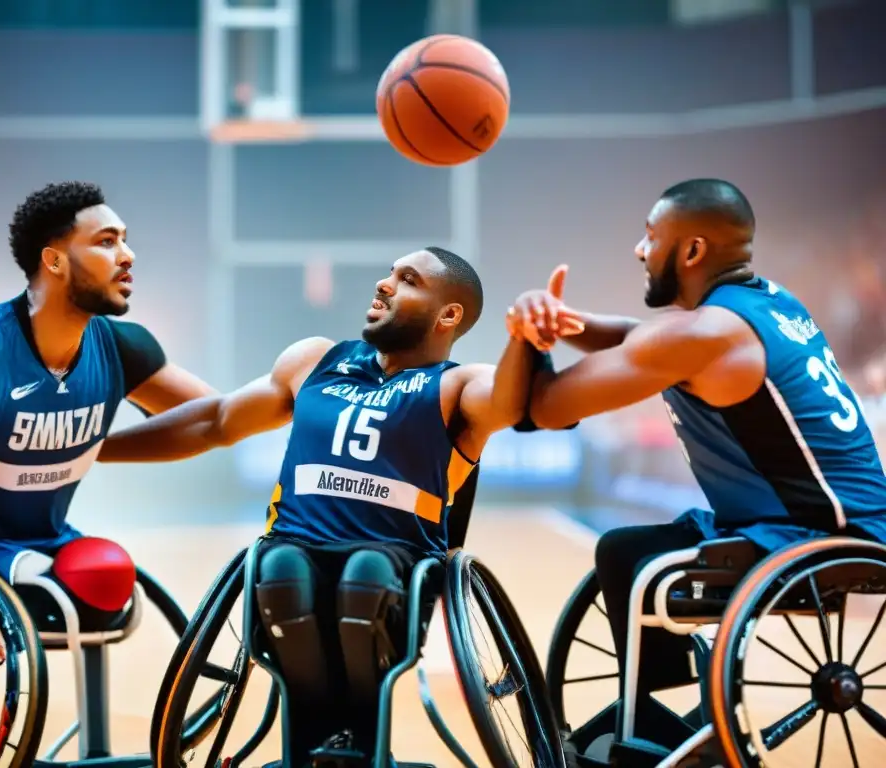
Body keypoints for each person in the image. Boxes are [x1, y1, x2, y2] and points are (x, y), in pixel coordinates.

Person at [97, 247, 581, 761]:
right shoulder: (315, 361)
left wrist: (526, 342)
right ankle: (314, 741)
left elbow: (507, 401)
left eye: (408, 279)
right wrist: (95, 450)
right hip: (294, 545)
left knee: (365, 573)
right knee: (281, 566)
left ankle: (358, 740)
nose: (384, 284)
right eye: (390, 273)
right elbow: (213, 421)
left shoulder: (457, 385)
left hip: (395, 566)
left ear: (449, 314)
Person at [510, 178, 886, 746]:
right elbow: (642, 339)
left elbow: (542, 408)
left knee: (640, 566)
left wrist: (530, 335)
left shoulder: (703, 336)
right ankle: (665, 727)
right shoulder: (765, 302)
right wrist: (569, 323)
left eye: (651, 236)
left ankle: (666, 735)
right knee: (625, 551)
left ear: (691, 251)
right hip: (851, 519)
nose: (640, 250)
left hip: (815, 536)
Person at [0, 181, 217, 668]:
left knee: (107, 575)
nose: (128, 254)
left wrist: (304, 391)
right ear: (53, 261)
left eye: (125, 239)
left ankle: (97, 745)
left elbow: (209, 421)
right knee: (70, 590)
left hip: (36, 536)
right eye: (107, 241)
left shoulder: (122, 346)